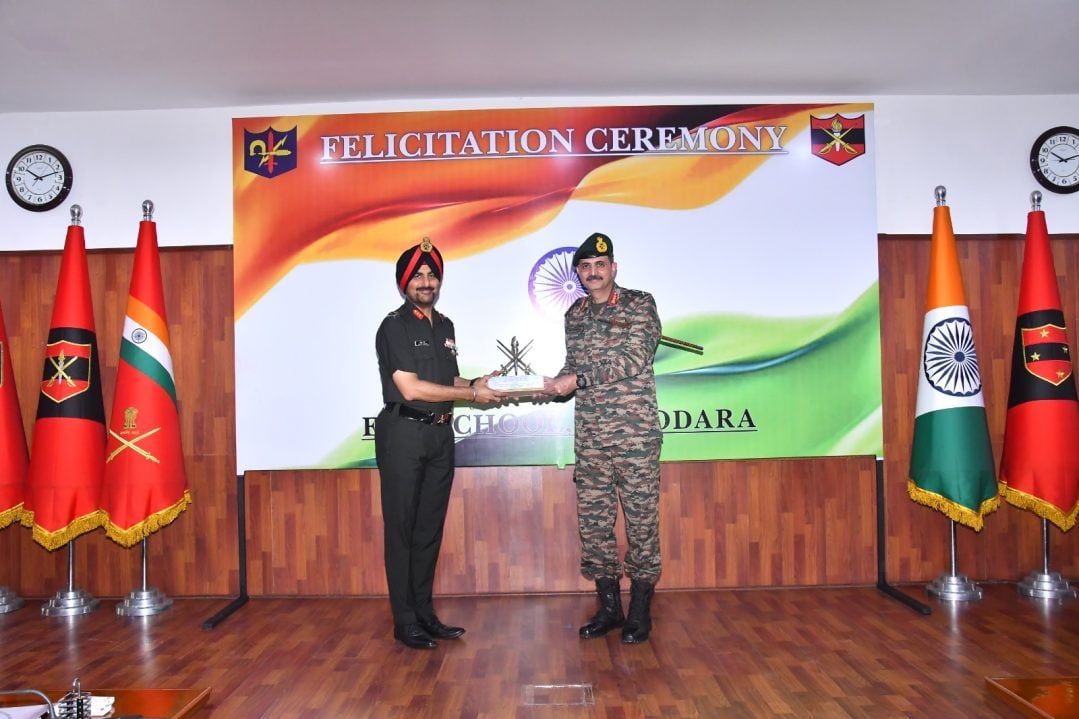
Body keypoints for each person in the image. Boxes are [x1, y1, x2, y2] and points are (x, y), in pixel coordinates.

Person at [375, 238, 505, 649]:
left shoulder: (445, 325)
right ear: (404, 283)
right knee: (403, 529)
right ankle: (404, 620)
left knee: (429, 528)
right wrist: (471, 396)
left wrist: (477, 384)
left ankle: (425, 613)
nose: (426, 282)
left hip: (439, 435)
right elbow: (410, 388)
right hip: (404, 434)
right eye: (418, 276)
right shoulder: (394, 326)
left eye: (432, 275)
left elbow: (448, 381)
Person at [543, 232, 662, 643]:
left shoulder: (639, 305)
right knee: (594, 525)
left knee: (641, 521)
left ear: (613, 268)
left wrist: (577, 378)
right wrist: (555, 384)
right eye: (585, 267)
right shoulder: (574, 315)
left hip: (635, 435)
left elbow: (634, 358)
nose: (593, 272)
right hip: (591, 437)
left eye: (600, 265)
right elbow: (572, 366)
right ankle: (609, 608)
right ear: (578, 273)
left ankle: (641, 610)